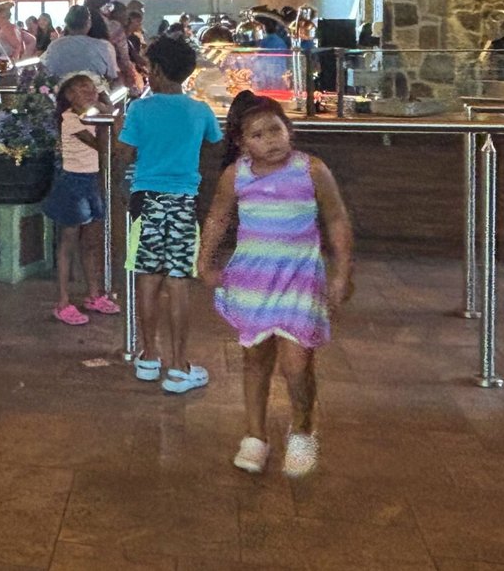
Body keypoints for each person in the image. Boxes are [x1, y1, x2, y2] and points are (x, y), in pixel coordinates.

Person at [198, 92, 353, 478]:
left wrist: (342, 271)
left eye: (275, 130)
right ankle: (255, 435)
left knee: (297, 362)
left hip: (300, 279)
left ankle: (302, 430)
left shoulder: (312, 170)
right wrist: (204, 261)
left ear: (290, 130)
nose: (270, 140)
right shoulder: (238, 175)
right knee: (255, 358)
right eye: (258, 135)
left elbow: (336, 219)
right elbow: (218, 218)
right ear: (241, 142)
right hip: (253, 280)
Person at [118, 36, 221, 394]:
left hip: (145, 199)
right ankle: (178, 366)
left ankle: (148, 355)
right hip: (183, 200)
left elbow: (125, 153)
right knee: (178, 279)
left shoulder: (140, 111)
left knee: (147, 276)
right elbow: (212, 142)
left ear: (157, 70)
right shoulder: (200, 110)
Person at [44, 73, 119, 325]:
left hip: (92, 181)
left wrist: (105, 112)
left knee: (91, 243)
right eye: (81, 88)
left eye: (91, 88)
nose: (89, 92)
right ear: (69, 96)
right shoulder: (70, 119)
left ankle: (94, 294)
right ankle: (63, 301)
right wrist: (108, 113)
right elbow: (101, 145)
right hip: (73, 183)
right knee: (68, 242)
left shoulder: (92, 116)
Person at [41, 6, 119, 83]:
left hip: (61, 92)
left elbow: (47, 71)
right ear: (88, 23)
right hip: (93, 92)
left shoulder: (55, 46)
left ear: (67, 25)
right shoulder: (101, 46)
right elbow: (111, 75)